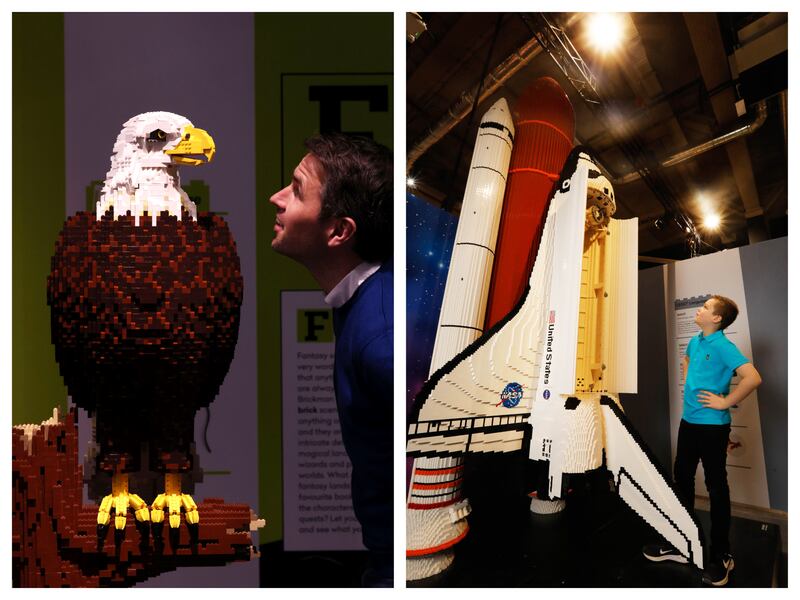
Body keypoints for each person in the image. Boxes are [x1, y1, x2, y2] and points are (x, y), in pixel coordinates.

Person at [269, 132, 393, 587]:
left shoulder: (381, 337)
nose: (276, 199)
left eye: (297, 190)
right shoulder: (365, 306)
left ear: (339, 231)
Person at [643, 295, 762, 586]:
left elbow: (752, 377)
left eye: (706, 307)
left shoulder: (723, 345)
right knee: (681, 477)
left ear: (717, 318)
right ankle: (683, 544)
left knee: (716, 486)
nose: (700, 309)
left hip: (712, 428)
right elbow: (687, 360)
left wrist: (724, 403)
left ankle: (722, 555)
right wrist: (690, 382)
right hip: (689, 424)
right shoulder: (697, 340)